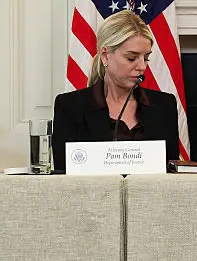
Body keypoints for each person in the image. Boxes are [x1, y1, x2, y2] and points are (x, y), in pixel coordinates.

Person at [52, 10, 180, 172]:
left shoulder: (164, 105)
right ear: (105, 56)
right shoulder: (70, 106)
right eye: (131, 58)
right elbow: (64, 174)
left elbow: (171, 173)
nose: (142, 67)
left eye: (146, 58)